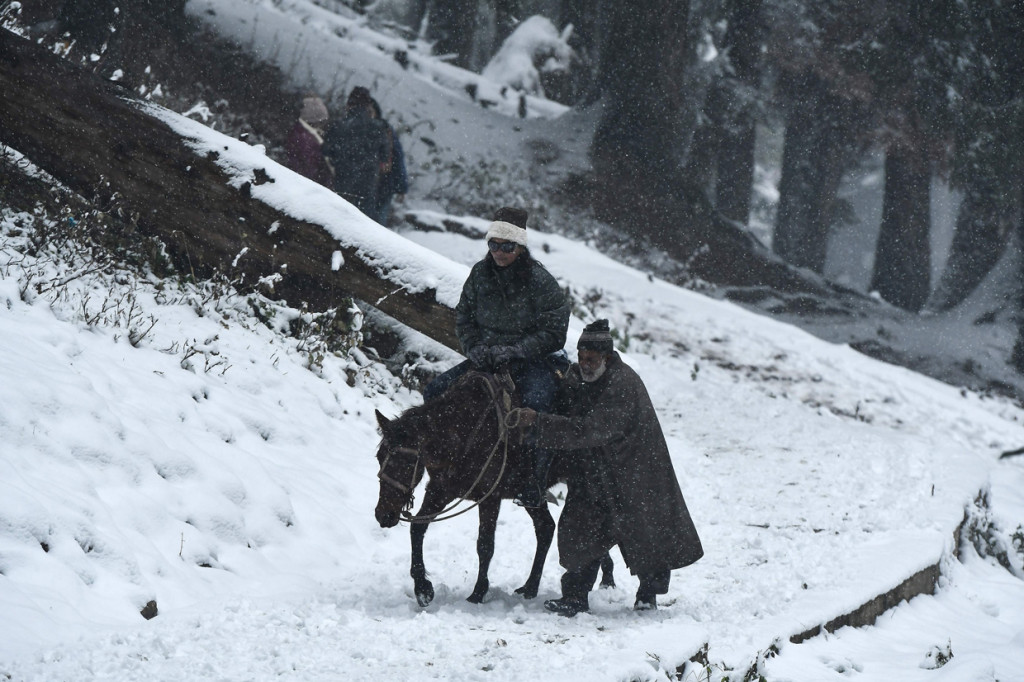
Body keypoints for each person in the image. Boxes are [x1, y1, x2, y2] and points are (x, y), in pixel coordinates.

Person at [517, 319, 704, 616]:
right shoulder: (589, 377)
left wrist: (539, 422)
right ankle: (575, 597)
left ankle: (648, 593)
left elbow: (589, 429)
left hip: (635, 473)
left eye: (591, 359)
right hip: (595, 473)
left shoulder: (622, 384)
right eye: (581, 358)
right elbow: (577, 398)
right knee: (580, 530)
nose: (584, 364)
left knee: (645, 534)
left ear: (607, 357)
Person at [422, 207, 570, 507]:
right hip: (487, 356)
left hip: (531, 360)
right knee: (435, 391)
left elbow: (556, 330)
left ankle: (534, 482)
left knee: (539, 405)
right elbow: (464, 315)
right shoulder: (480, 273)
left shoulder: (539, 280)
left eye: (507, 247)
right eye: (493, 245)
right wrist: (473, 346)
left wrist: (518, 350)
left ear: (520, 247)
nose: (499, 252)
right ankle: (448, 464)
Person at [322, 86, 392, 219]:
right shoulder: (378, 128)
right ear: (368, 105)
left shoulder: (339, 125)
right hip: (368, 186)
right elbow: (385, 156)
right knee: (363, 224)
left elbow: (326, 150)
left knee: (339, 220)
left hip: (343, 181)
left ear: (349, 104)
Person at [369, 98, 408, 227]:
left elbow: (397, 157)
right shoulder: (385, 129)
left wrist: (402, 187)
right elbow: (398, 156)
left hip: (382, 184)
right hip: (381, 183)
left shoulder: (385, 130)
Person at [284, 95, 334, 188]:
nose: (324, 124)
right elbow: (309, 168)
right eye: (322, 120)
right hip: (308, 188)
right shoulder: (306, 138)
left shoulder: (303, 134)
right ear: (315, 120)